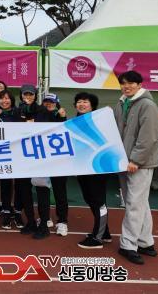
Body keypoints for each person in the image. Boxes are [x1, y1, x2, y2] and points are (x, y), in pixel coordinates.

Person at [114, 71, 158, 265]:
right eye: (123, 83)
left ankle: (128, 245)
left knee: (134, 204)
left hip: (138, 164)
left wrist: (136, 160)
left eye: (131, 83)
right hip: (124, 162)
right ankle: (145, 241)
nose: (126, 86)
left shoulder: (147, 105)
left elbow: (150, 136)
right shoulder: (121, 103)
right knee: (139, 203)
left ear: (140, 84)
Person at [74, 92, 112, 249]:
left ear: (92, 106)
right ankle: (105, 233)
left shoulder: (100, 121)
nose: (81, 104)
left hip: (97, 168)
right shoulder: (73, 122)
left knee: (98, 201)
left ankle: (97, 238)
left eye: (85, 102)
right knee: (90, 198)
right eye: (79, 101)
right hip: (82, 168)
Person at [0, 89, 23, 230]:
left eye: (7, 98)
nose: (4, 101)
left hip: (18, 153)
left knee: (19, 184)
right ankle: (6, 211)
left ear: (12, 100)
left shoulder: (19, 112)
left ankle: (17, 212)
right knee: (5, 183)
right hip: (2, 153)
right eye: (2, 98)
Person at [38, 93, 68, 237]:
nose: (49, 104)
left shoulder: (61, 116)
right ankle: (45, 218)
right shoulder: (39, 116)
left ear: (57, 103)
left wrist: (62, 117)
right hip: (42, 159)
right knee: (42, 190)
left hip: (59, 161)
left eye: (52, 102)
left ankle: (62, 221)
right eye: (46, 101)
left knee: (59, 191)